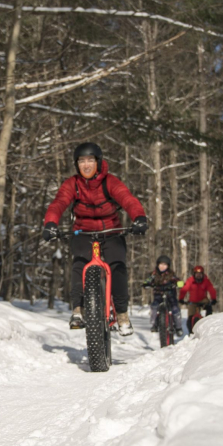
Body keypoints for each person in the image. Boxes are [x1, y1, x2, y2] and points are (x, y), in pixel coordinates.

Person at [41, 142, 147, 335]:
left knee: (117, 265)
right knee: (79, 263)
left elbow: (127, 199)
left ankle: (122, 314)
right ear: (77, 164)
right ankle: (78, 309)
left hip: (111, 232)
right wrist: (50, 223)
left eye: (90, 160)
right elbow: (58, 203)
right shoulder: (72, 184)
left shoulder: (110, 182)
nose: (86, 165)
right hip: (83, 232)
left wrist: (139, 218)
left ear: (98, 162)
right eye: (82, 161)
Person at [144, 255, 182, 334]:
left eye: (165, 265)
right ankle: (154, 324)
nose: (162, 267)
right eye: (161, 264)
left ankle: (178, 327)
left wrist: (179, 284)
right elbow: (147, 280)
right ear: (157, 265)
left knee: (175, 309)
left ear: (168, 266)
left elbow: (178, 280)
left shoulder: (171, 274)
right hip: (158, 295)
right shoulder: (154, 274)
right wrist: (146, 284)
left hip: (170, 295)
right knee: (154, 306)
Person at [179, 265, 217, 334]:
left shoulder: (206, 281)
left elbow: (211, 290)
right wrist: (181, 299)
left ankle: (208, 322)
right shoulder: (190, 281)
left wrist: (213, 299)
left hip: (203, 300)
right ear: (194, 274)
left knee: (208, 307)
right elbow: (184, 289)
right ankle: (191, 332)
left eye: (200, 274)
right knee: (190, 317)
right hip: (192, 301)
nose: (198, 276)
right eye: (197, 274)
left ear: (203, 274)